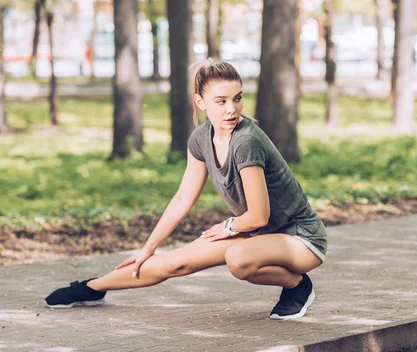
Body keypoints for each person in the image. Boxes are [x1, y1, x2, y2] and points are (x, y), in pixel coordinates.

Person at [44, 60, 327, 320]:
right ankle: (92, 288)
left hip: (301, 240)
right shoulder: (202, 138)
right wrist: (147, 248)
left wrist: (228, 226)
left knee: (238, 259)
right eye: (221, 101)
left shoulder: (246, 142)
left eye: (237, 98)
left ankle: (298, 285)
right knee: (173, 263)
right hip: (257, 235)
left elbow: (259, 216)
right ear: (200, 102)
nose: (232, 109)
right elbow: (182, 199)